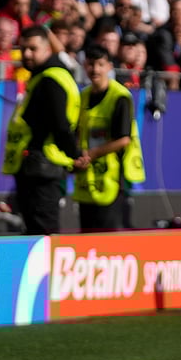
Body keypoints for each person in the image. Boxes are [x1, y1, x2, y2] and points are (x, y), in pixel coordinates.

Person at [3, 26, 81, 234]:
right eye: (23, 49)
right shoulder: (44, 76)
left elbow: (60, 125)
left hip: (43, 167)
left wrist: (75, 155)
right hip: (41, 165)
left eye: (33, 49)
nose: (27, 54)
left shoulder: (50, 79)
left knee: (42, 233)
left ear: (48, 49)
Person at [71, 45, 145, 232]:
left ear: (109, 66)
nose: (95, 70)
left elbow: (124, 139)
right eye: (90, 64)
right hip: (87, 179)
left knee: (106, 236)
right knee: (86, 235)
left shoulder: (120, 96)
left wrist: (91, 154)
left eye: (100, 64)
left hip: (111, 177)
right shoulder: (83, 96)